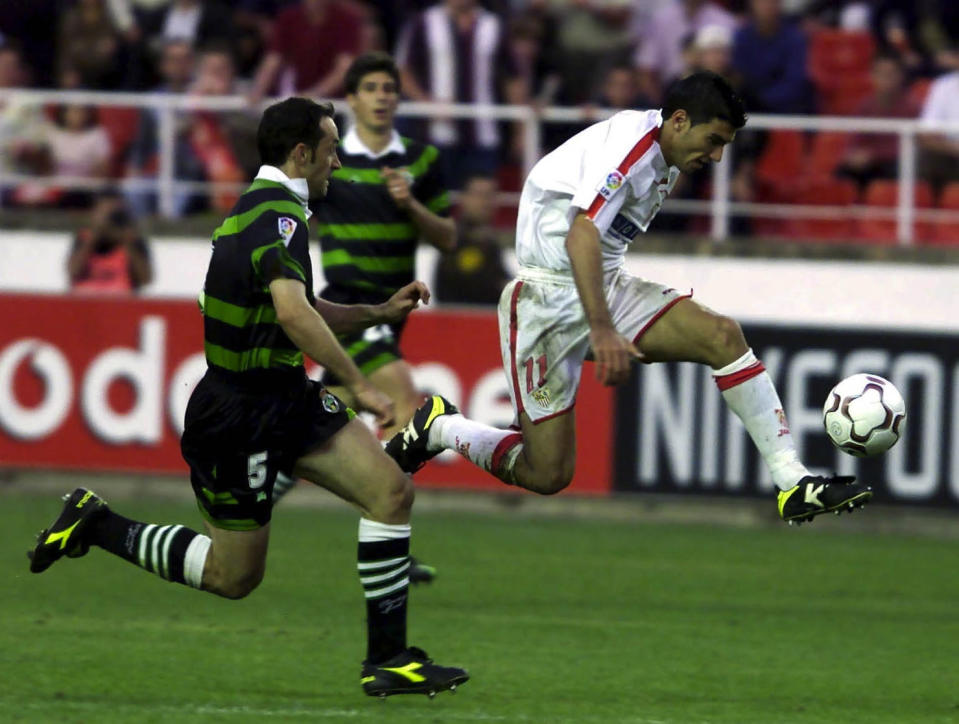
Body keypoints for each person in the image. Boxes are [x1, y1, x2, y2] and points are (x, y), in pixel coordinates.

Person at [28, 97, 468, 699]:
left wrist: (377, 311)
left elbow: (299, 307)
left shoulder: (271, 211)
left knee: (391, 491)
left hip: (284, 396)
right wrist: (361, 383)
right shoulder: (276, 216)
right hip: (235, 413)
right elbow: (293, 314)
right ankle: (97, 524)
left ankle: (389, 659)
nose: (337, 161)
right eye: (332, 149)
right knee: (233, 576)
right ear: (301, 153)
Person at [385, 72, 874, 526]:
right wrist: (602, 329)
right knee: (546, 473)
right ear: (679, 121)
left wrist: (612, 319)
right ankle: (441, 428)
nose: (719, 157)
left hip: (603, 282)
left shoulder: (668, 159)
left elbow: (601, 245)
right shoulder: (633, 150)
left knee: (722, 335)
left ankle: (793, 482)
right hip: (544, 299)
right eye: (715, 141)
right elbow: (582, 234)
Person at [269, 53, 453, 586]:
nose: (382, 95)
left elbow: (448, 237)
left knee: (317, 422)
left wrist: (412, 205)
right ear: (351, 98)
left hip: (393, 311)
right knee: (400, 399)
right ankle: (389, 530)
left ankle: (259, 487)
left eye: (390, 87)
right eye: (371, 87)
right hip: (352, 304)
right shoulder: (329, 157)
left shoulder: (421, 159)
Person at [434, 172, 511, 306]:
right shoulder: (454, 239)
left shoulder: (491, 241)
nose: (485, 202)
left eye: (490, 195)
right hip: (460, 319)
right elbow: (468, 286)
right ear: (464, 198)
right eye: (479, 195)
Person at [67, 191, 153, 293]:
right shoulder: (84, 237)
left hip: (121, 302)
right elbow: (73, 272)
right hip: (85, 300)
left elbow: (145, 279)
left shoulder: (132, 239)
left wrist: (127, 241)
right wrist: (94, 237)